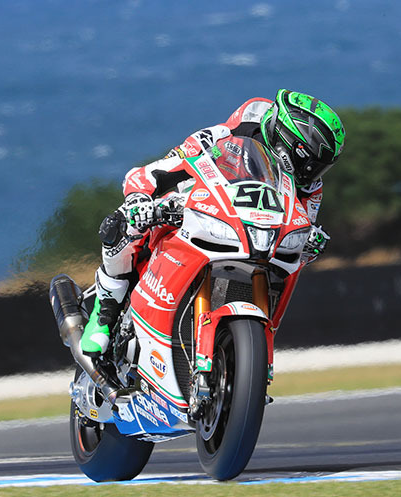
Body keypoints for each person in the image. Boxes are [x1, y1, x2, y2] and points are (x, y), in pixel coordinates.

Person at [80, 89, 346, 356]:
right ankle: (105, 312)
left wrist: (310, 240)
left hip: (252, 236)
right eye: (309, 163)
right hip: (197, 206)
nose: (313, 173)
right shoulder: (225, 134)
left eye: (321, 166)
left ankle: (256, 345)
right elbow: (164, 167)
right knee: (125, 222)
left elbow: (303, 227)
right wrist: (141, 199)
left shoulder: (311, 186)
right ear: (286, 143)